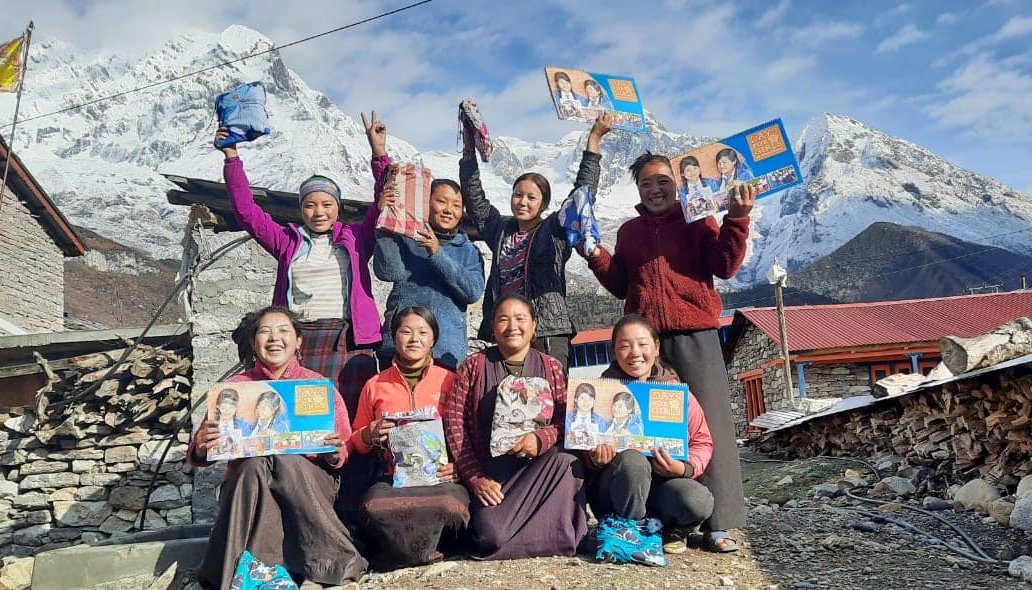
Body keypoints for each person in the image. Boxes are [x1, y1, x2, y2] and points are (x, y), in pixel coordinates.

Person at [582, 152, 758, 553]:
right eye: (646, 183)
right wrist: (596, 255)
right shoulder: (628, 232)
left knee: (709, 425)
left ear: (677, 183)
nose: (655, 189)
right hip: (643, 344)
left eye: (663, 181)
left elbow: (725, 265)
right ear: (638, 189)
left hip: (696, 334)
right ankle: (647, 517)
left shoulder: (699, 219)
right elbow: (620, 283)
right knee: (635, 427)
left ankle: (719, 522)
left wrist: (737, 218)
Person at [214, 112, 391, 419]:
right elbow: (246, 213)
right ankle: (308, 468)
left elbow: (384, 202)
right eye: (310, 204)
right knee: (303, 415)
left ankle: (351, 467)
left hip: (348, 338)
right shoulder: (286, 242)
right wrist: (232, 157)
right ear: (301, 209)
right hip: (301, 338)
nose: (318, 211)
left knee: (351, 413)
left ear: (338, 208)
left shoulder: (356, 239)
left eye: (326, 204)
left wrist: (379, 153)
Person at [189, 306, 367, 589]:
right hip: (248, 485)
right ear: (253, 343)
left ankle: (315, 567)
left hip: (309, 484)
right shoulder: (235, 388)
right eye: (264, 331)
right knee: (258, 464)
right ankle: (283, 571)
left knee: (287, 462)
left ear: (298, 341)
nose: (274, 338)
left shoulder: (317, 386)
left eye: (283, 331)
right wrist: (201, 446)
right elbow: (203, 452)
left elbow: (342, 450)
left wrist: (334, 450)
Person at [459, 108, 612, 369]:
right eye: (518, 194)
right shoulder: (500, 229)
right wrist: (469, 152)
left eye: (531, 197)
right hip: (507, 329)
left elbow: (582, 195)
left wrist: (594, 140)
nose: (523, 201)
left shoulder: (555, 228)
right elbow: (475, 201)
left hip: (547, 332)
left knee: (551, 400)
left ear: (544, 203)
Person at [444, 294, 587, 559]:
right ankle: (539, 538)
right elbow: (455, 423)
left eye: (520, 319)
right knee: (490, 535)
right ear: (492, 326)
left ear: (534, 325)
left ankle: (559, 536)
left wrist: (542, 438)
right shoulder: (473, 366)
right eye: (503, 319)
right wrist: (475, 478)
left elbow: (567, 418)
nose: (512, 327)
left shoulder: (551, 366)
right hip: (493, 475)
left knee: (568, 462)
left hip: (540, 468)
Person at [350, 306, 470, 567]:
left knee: (449, 505)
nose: (414, 339)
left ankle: (416, 551)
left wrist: (458, 468)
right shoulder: (375, 385)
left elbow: (468, 434)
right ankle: (421, 551)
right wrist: (369, 434)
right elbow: (355, 442)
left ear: (434, 339)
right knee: (375, 508)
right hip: (393, 479)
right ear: (394, 337)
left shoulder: (451, 381)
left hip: (440, 477)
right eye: (406, 331)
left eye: (422, 332)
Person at [586, 314, 714, 553]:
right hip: (616, 492)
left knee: (698, 500)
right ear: (614, 351)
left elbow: (702, 440)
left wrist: (684, 469)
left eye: (643, 344)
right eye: (624, 346)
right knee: (632, 460)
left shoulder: (675, 392)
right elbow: (579, 445)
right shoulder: (600, 393)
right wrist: (594, 460)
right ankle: (628, 532)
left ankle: (669, 530)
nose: (634, 352)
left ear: (656, 348)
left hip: (661, 486)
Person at [373, 173, 485, 369]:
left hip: (446, 350)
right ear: (426, 203)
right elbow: (388, 272)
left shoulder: (469, 251)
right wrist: (385, 224)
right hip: (400, 347)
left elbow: (472, 292)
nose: (449, 210)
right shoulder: (407, 239)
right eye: (441, 201)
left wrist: (437, 253)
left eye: (456, 206)